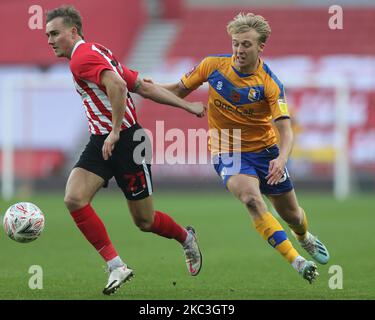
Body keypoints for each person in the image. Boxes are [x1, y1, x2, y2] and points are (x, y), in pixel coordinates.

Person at [155, 13, 330, 283]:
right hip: (227, 150)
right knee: (250, 198)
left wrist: (282, 159)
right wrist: (141, 87)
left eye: (246, 44)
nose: (239, 50)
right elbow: (177, 90)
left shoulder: (269, 83)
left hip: (266, 152)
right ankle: (296, 260)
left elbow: (285, 129)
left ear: (261, 47)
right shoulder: (212, 66)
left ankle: (304, 236)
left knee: (293, 215)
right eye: (235, 43)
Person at [45, 5, 203, 295]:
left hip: (129, 142)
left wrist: (116, 131)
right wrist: (186, 104)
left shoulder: (82, 58)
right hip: (101, 141)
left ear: (73, 31)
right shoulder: (97, 51)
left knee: (144, 221)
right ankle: (116, 265)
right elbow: (141, 86)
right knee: (74, 198)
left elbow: (117, 85)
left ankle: (186, 237)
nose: (50, 40)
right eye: (47, 35)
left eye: (55, 33)